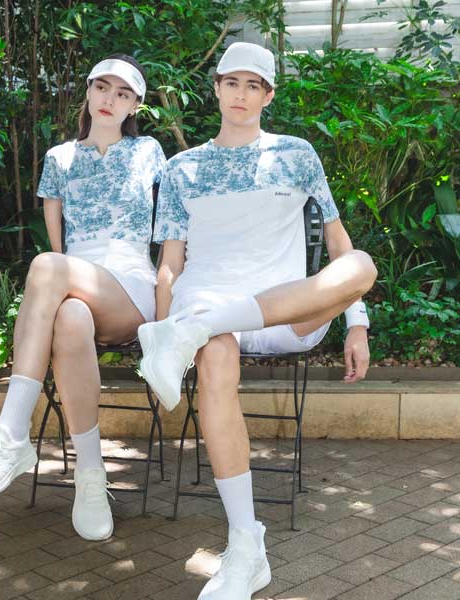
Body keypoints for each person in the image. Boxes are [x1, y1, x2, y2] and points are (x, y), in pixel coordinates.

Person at [138, 42, 377, 599]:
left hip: (285, 310)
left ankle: (193, 331)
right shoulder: (181, 169)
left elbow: (340, 244)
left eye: (253, 86)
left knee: (362, 266)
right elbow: (170, 264)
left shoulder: (297, 154)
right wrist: (160, 336)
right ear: (216, 88)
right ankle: (246, 546)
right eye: (232, 83)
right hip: (207, 305)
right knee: (215, 349)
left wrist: (357, 323)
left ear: (268, 96)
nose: (241, 95)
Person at [0, 54, 166, 542]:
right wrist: (66, 282)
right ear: (87, 91)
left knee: (48, 267)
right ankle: (90, 478)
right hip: (78, 281)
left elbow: (175, 223)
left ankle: (11, 434)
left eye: (123, 94)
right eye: (103, 88)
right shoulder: (59, 158)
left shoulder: (149, 150)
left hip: (131, 283)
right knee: (69, 316)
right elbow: (60, 241)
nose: (110, 99)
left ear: (135, 105)